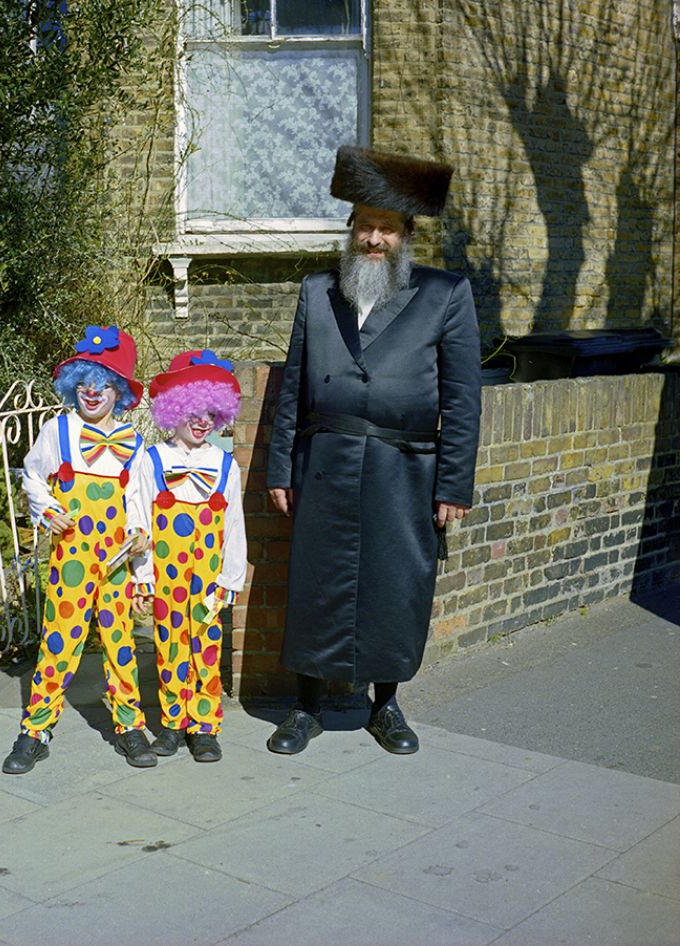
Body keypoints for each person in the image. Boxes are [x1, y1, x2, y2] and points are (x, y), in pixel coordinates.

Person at [265, 146, 482, 756]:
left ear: (406, 234)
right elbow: (293, 388)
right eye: (365, 225)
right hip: (325, 463)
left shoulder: (445, 294)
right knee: (316, 583)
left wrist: (452, 485)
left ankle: (384, 705)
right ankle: (305, 706)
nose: (374, 239)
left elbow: (464, 399)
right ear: (351, 228)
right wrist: (281, 466)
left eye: (387, 228)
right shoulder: (317, 292)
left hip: (405, 469)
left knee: (396, 585)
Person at [2, 325, 157, 774]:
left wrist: (141, 540)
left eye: (104, 385)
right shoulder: (59, 431)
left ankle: (129, 725)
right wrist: (47, 509)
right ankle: (36, 729)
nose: (92, 393)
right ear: (75, 386)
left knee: (120, 643)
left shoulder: (134, 445)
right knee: (58, 642)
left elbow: (140, 504)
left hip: (116, 564)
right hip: (70, 558)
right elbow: (32, 475)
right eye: (86, 383)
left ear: (120, 393)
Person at [127, 350, 247, 763]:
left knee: (206, 643)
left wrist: (230, 581)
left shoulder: (224, 464)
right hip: (168, 570)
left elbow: (234, 527)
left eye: (211, 414)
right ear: (174, 409)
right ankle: (173, 722)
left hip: (208, 574)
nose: (202, 422)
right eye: (194, 411)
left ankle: (205, 726)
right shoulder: (153, 460)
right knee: (170, 643)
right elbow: (138, 517)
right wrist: (143, 575)